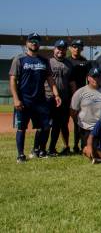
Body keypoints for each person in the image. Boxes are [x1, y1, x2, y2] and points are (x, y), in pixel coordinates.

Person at [10, 33, 62, 163]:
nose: (34, 43)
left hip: (40, 101)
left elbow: (50, 80)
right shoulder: (19, 59)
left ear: (39, 44)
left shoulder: (44, 61)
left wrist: (56, 95)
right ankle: (20, 155)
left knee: (45, 127)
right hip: (24, 100)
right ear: (27, 43)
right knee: (22, 128)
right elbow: (12, 80)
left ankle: (39, 150)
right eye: (32, 41)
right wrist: (16, 99)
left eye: (37, 41)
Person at [71, 67, 101, 150]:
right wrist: (79, 123)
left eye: (98, 76)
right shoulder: (80, 92)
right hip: (87, 128)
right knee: (91, 149)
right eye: (93, 77)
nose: (96, 79)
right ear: (88, 78)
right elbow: (73, 110)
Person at [45, 39, 76, 156]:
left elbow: (72, 83)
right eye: (59, 48)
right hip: (48, 98)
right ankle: (40, 148)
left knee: (61, 124)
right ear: (54, 49)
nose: (61, 51)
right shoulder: (48, 62)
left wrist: (73, 98)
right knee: (46, 125)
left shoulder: (69, 64)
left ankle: (54, 148)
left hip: (64, 99)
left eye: (63, 49)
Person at [68, 39, 91, 153]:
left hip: (81, 96)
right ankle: (66, 146)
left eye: (79, 47)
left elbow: (89, 78)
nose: (76, 49)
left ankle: (78, 145)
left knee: (80, 122)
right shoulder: (66, 61)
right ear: (70, 48)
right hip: (66, 95)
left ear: (82, 49)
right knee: (63, 122)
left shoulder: (85, 62)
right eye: (74, 46)